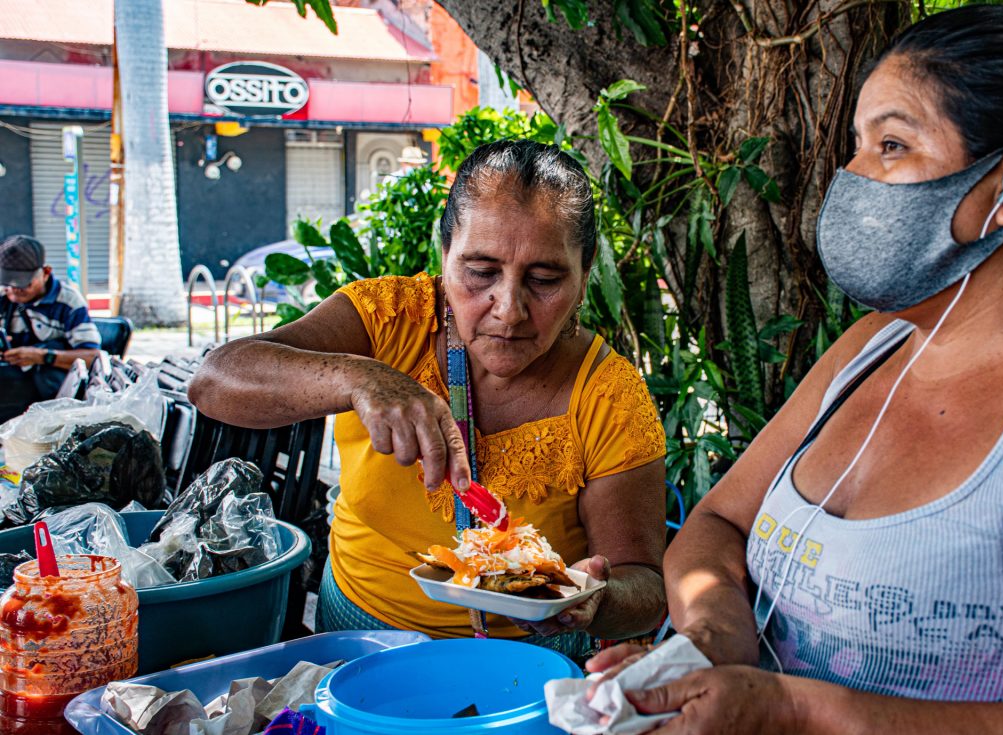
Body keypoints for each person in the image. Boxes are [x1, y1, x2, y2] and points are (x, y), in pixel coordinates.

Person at [586, 5, 1003, 732]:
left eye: (892, 143)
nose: (852, 177)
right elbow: (720, 519)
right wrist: (710, 638)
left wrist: (795, 710)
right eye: (856, 146)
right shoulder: (866, 348)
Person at [189, 140, 668, 656]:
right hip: (354, 636)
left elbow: (644, 585)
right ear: (445, 256)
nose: (508, 309)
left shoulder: (609, 395)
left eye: (545, 279)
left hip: (527, 666)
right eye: (480, 272)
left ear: (585, 270)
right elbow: (215, 380)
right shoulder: (387, 321)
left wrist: (598, 597)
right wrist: (360, 379)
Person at [0, 235, 101, 423]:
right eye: (8, 283)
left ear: (45, 272)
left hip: (52, 402)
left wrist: (42, 356)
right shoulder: (3, 296)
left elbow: (93, 357)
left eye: (22, 284)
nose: (13, 290)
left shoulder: (68, 302)